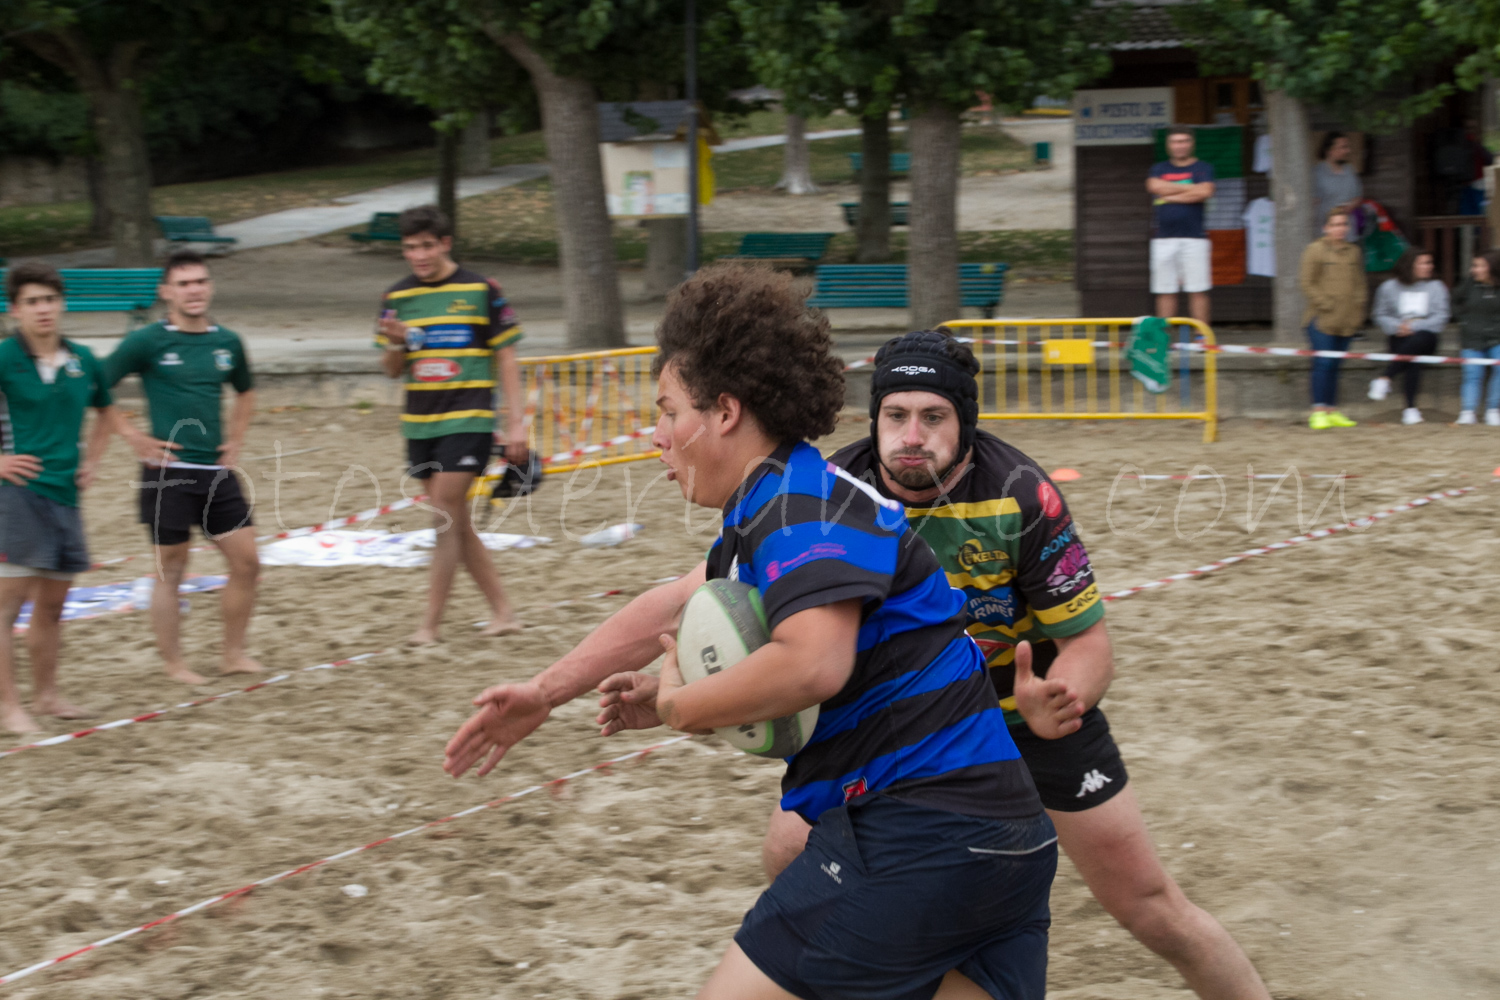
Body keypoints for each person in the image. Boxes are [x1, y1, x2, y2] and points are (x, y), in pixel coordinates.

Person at [445, 265, 1060, 1000]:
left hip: (923, 830)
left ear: (725, 412)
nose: (657, 437)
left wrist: (683, 706)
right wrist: (546, 694)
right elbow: (673, 607)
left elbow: (813, 666)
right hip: (1000, 835)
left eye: (669, 412)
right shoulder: (781, 499)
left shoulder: (802, 510)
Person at [804, 331, 1263, 1000]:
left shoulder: (1021, 493)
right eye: (895, 415)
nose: (912, 436)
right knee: (792, 857)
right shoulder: (831, 494)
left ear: (965, 422)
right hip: (904, 727)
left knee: (1151, 907)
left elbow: (1090, 644)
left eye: (934, 417)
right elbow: (729, 593)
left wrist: (1063, 697)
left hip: (1027, 716)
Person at [104, 251, 261, 685]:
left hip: (216, 474)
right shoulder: (147, 341)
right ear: (166, 292)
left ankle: (232, 655)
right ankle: (175, 665)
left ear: (210, 287)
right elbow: (96, 386)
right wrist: (132, 435)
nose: (194, 290)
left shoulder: (227, 342)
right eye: (184, 283)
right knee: (171, 570)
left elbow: (246, 392)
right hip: (167, 474)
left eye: (200, 281)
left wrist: (236, 438)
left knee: (248, 563)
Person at [375, 205, 524, 644]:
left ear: (445, 243)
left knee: (443, 515)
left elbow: (507, 359)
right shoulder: (396, 296)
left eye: (426, 246)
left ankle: (429, 625)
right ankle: (504, 612)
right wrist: (396, 344)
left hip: (469, 417)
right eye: (410, 248)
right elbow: (391, 370)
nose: (418, 256)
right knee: (456, 521)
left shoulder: (481, 289)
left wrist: (517, 425)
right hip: (420, 423)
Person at [0, 264, 118, 733]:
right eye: (32, 301)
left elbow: (107, 411)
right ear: (15, 309)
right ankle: (9, 707)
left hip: (66, 496)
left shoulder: (83, 359)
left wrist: (94, 460)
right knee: (7, 610)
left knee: (51, 607)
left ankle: (47, 696)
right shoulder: (4, 356)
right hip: (17, 496)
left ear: (62, 304)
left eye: (49, 299)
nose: (43, 309)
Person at [1299, 209, 1367, 430]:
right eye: (1335, 224)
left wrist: (1358, 309)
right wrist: (1325, 304)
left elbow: (1360, 283)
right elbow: (1307, 282)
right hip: (1321, 318)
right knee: (1323, 363)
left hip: (1347, 319)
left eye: (1343, 224)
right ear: (1326, 227)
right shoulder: (1315, 250)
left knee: (1336, 365)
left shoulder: (1354, 252)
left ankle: (1332, 409)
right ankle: (1318, 410)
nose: (1340, 229)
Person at [1369, 247, 1450, 424]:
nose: (1429, 266)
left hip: (1426, 337)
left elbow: (1441, 317)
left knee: (1418, 342)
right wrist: (1397, 326)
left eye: (1430, 263)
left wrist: (1414, 326)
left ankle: (1385, 377)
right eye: (1423, 263)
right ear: (1409, 265)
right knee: (1413, 358)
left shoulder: (1436, 287)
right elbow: (1380, 314)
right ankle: (1410, 410)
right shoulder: (1389, 287)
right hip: (1399, 335)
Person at [1146, 127, 1216, 325]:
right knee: (1164, 290)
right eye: (1175, 141)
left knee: (1198, 289)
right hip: (1163, 239)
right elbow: (1154, 186)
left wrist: (1169, 196)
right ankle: (1164, 337)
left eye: (1184, 141)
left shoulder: (1203, 168)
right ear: (1168, 145)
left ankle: (1201, 337)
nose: (1180, 146)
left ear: (1192, 143)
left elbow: (1205, 192)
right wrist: (1191, 188)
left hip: (1195, 238)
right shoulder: (1159, 169)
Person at [1451, 248, 1500, 426]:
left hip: (1497, 338)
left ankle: (1492, 410)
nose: (1474, 270)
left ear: (1492, 267)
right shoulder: (1468, 284)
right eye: (1474, 266)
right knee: (1472, 374)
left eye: (1479, 266)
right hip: (1471, 338)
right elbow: (1453, 301)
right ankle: (1468, 411)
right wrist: (1463, 319)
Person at [1314, 132, 1362, 233]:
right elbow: (1313, 202)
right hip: (1326, 234)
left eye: (1347, 147)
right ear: (1329, 150)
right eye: (1343, 147)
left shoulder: (1350, 170)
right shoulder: (1317, 173)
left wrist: (1349, 207)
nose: (1348, 151)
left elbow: (1358, 197)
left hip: (1348, 233)